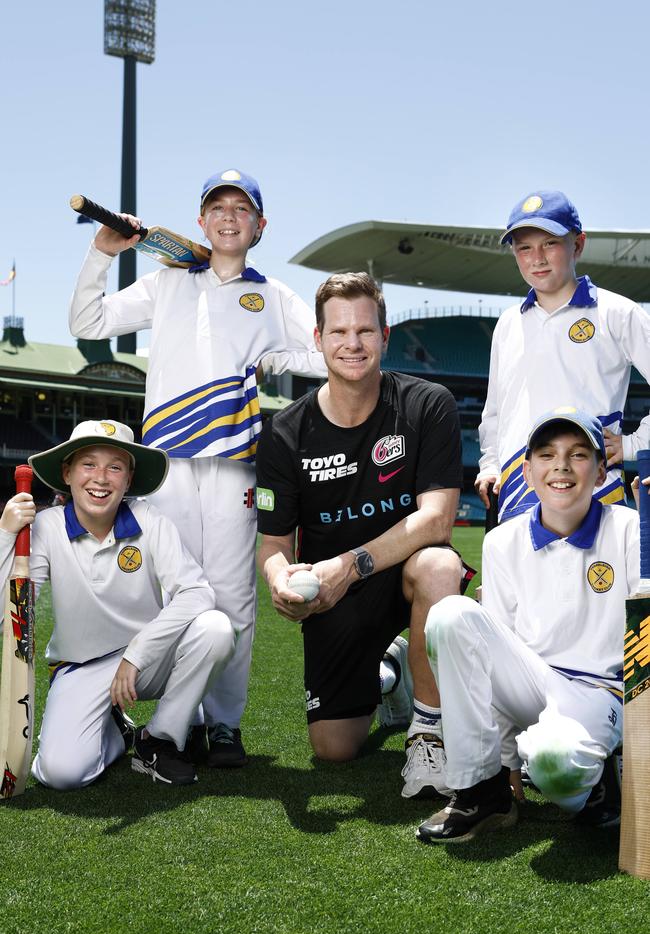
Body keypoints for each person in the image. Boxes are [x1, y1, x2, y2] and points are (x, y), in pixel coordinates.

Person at [69, 169, 326, 767]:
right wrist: (100, 254)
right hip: (167, 465)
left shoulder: (273, 294)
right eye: (217, 207)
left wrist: (274, 358)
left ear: (260, 226)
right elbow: (88, 324)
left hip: (236, 466)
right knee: (170, 595)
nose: (229, 216)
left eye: (243, 208)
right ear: (201, 221)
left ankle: (226, 726)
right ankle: (169, 720)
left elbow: (324, 352)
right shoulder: (167, 283)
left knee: (234, 600)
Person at [255, 272, 469, 791]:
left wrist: (348, 566)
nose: (353, 344)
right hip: (336, 597)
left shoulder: (428, 403)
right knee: (334, 748)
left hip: (404, 575)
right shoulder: (284, 434)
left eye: (365, 332)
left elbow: (438, 518)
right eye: (339, 332)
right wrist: (280, 581)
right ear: (318, 339)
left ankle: (428, 735)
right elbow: (274, 545)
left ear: (385, 336)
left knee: (440, 563)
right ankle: (390, 673)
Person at [419, 408, 641, 843]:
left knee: (555, 764)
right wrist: (506, 763)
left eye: (578, 455)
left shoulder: (631, 529)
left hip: (600, 693)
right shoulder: (503, 540)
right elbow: (491, 656)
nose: (561, 466)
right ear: (527, 470)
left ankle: (598, 786)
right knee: (450, 615)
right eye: (546, 454)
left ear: (600, 472)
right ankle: (483, 791)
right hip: (532, 682)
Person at [0, 420, 235, 789]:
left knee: (216, 629)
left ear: (128, 479)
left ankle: (157, 739)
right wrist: (5, 535)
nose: (101, 478)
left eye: (115, 467)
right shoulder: (46, 527)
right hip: (81, 666)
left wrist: (137, 653)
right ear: (67, 472)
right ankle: (116, 733)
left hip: (148, 659)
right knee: (61, 775)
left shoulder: (149, 520)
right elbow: (12, 614)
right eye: (88, 464)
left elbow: (197, 592)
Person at [475, 189, 650, 522]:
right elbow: (495, 411)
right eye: (524, 247)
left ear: (578, 244)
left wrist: (632, 444)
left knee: (594, 575)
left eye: (550, 243)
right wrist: (490, 465)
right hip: (516, 489)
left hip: (593, 488)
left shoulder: (617, 312)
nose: (536, 258)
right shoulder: (509, 323)